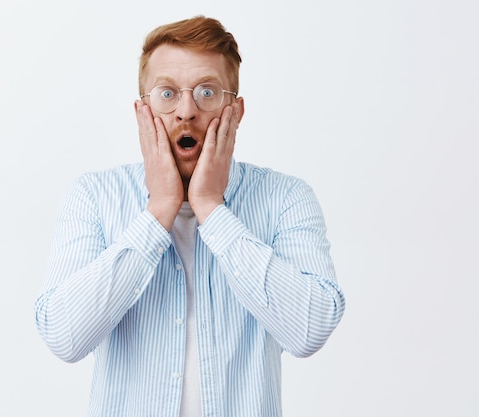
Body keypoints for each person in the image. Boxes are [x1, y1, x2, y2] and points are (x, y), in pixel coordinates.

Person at [35, 15, 345, 417]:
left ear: (235, 109)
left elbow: (309, 330)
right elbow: (64, 337)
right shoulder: (94, 196)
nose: (186, 111)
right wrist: (160, 208)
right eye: (167, 94)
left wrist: (212, 208)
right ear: (142, 111)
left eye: (206, 92)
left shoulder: (286, 198)